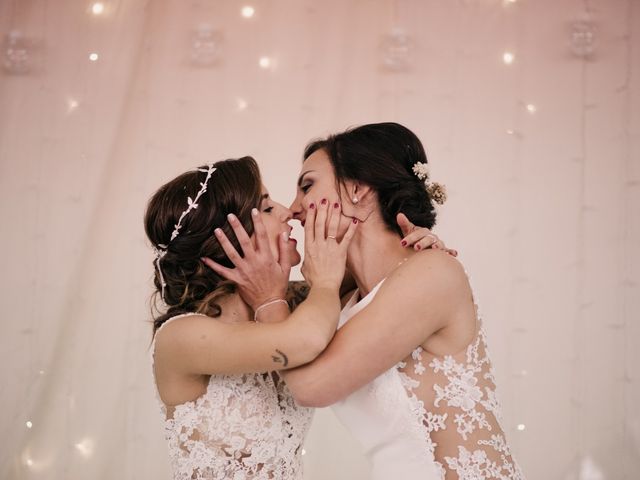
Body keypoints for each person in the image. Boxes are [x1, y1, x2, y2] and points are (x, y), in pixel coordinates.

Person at [211, 123, 524, 480]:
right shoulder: (338, 295)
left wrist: (269, 301)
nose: (294, 209)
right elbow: (249, 304)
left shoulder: (432, 272)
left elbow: (311, 386)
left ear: (358, 188)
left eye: (307, 186)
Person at [144, 155, 442, 479]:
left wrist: (414, 250)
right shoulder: (182, 337)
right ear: (231, 239)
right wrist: (323, 283)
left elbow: (382, 282)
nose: (287, 211)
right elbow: (308, 339)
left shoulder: (292, 306)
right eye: (268, 208)